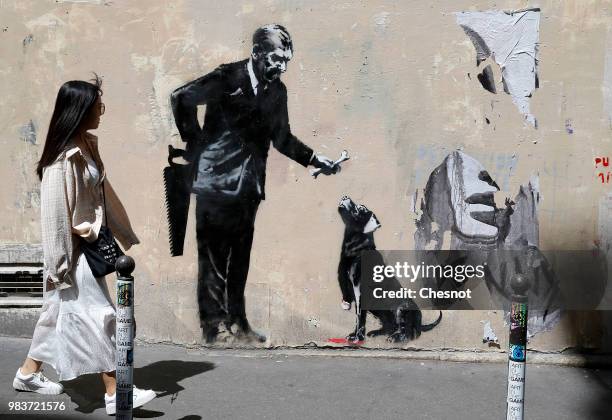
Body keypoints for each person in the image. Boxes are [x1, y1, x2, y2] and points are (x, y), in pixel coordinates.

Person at [170, 24, 340, 343]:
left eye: (287, 61)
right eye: (277, 59)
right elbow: (181, 98)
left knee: (240, 256)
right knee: (214, 257)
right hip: (215, 182)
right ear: (257, 53)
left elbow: (282, 138)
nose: (282, 67)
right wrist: (196, 144)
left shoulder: (278, 91)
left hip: (249, 187)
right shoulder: (226, 77)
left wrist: (315, 160)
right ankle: (214, 327)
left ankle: (238, 322)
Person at [12, 76, 156, 415]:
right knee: (102, 316)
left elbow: (103, 197)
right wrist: (60, 266)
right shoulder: (62, 159)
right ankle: (115, 393)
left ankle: (27, 374)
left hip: (89, 244)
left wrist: (123, 232)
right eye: (97, 108)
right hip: (74, 252)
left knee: (55, 314)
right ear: (79, 110)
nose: (101, 113)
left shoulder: (86, 146)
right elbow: (55, 218)